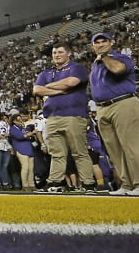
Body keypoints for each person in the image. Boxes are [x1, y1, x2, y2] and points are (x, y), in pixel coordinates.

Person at [88, 32, 139, 197]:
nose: (100, 44)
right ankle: (127, 184)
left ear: (111, 43)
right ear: (93, 46)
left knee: (133, 146)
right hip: (102, 108)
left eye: (103, 41)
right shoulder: (95, 65)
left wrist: (104, 57)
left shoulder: (120, 58)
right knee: (115, 150)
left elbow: (118, 70)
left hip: (123, 103)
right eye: (96, 42)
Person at [32, 42, 97, 193]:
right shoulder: (45, 73)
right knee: (56, 153)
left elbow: (71, 82)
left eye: (60, 52)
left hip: (73, 115)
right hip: (52, 117)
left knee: (79, 152)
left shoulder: (76, 67)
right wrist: (60, 91)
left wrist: (48, 87)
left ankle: (88, 184)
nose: (57, 55)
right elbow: (36, 90)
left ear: (69, 54)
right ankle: (55, 183)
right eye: (54, 53)